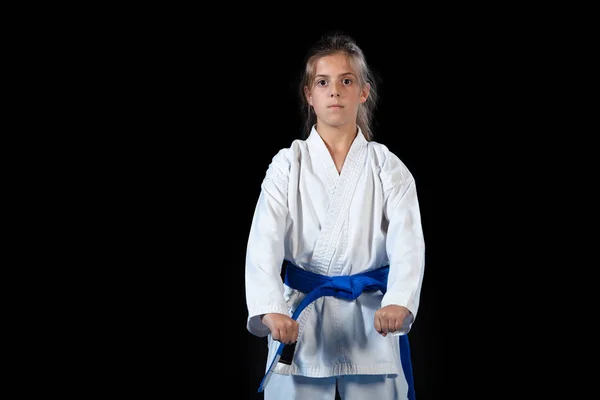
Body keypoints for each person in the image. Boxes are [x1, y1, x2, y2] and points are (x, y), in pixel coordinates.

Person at [244, 32, 425, 400]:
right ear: (309, 95)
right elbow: (264, 241)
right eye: (323, 82)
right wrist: (270, 309)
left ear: (363, 92)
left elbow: (408, 244)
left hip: (371, 322)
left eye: (346, 81)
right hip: (300, 319)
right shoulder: (288, 165)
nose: (335, 91)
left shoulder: (388, 168)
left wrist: (399, 301)